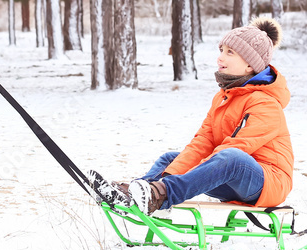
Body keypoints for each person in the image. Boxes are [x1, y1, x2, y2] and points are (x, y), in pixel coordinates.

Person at [90, 17, 292, 215]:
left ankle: (159, 195)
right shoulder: (223, 98)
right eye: (221, 50)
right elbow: (202, 142)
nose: (220, 58)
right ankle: (136, 194)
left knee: (231, 157)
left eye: (230, 53)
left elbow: (238, 148)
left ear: (250, 65)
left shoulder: (265, 103)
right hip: (230, 177)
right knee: (170, 159)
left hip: (266, 183)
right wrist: (169, 174)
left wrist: (174, 181)